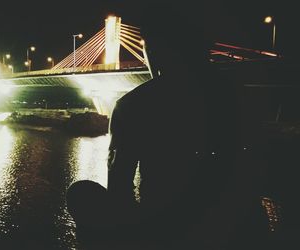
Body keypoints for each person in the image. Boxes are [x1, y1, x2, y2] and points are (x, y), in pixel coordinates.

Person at [68, 3, 270, 249]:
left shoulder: (134, 106)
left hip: (167, 230)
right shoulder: (236, 97)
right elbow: (257, 166)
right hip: (244, 227)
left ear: (154, 49)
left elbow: (120, 189)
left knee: (80, 193)